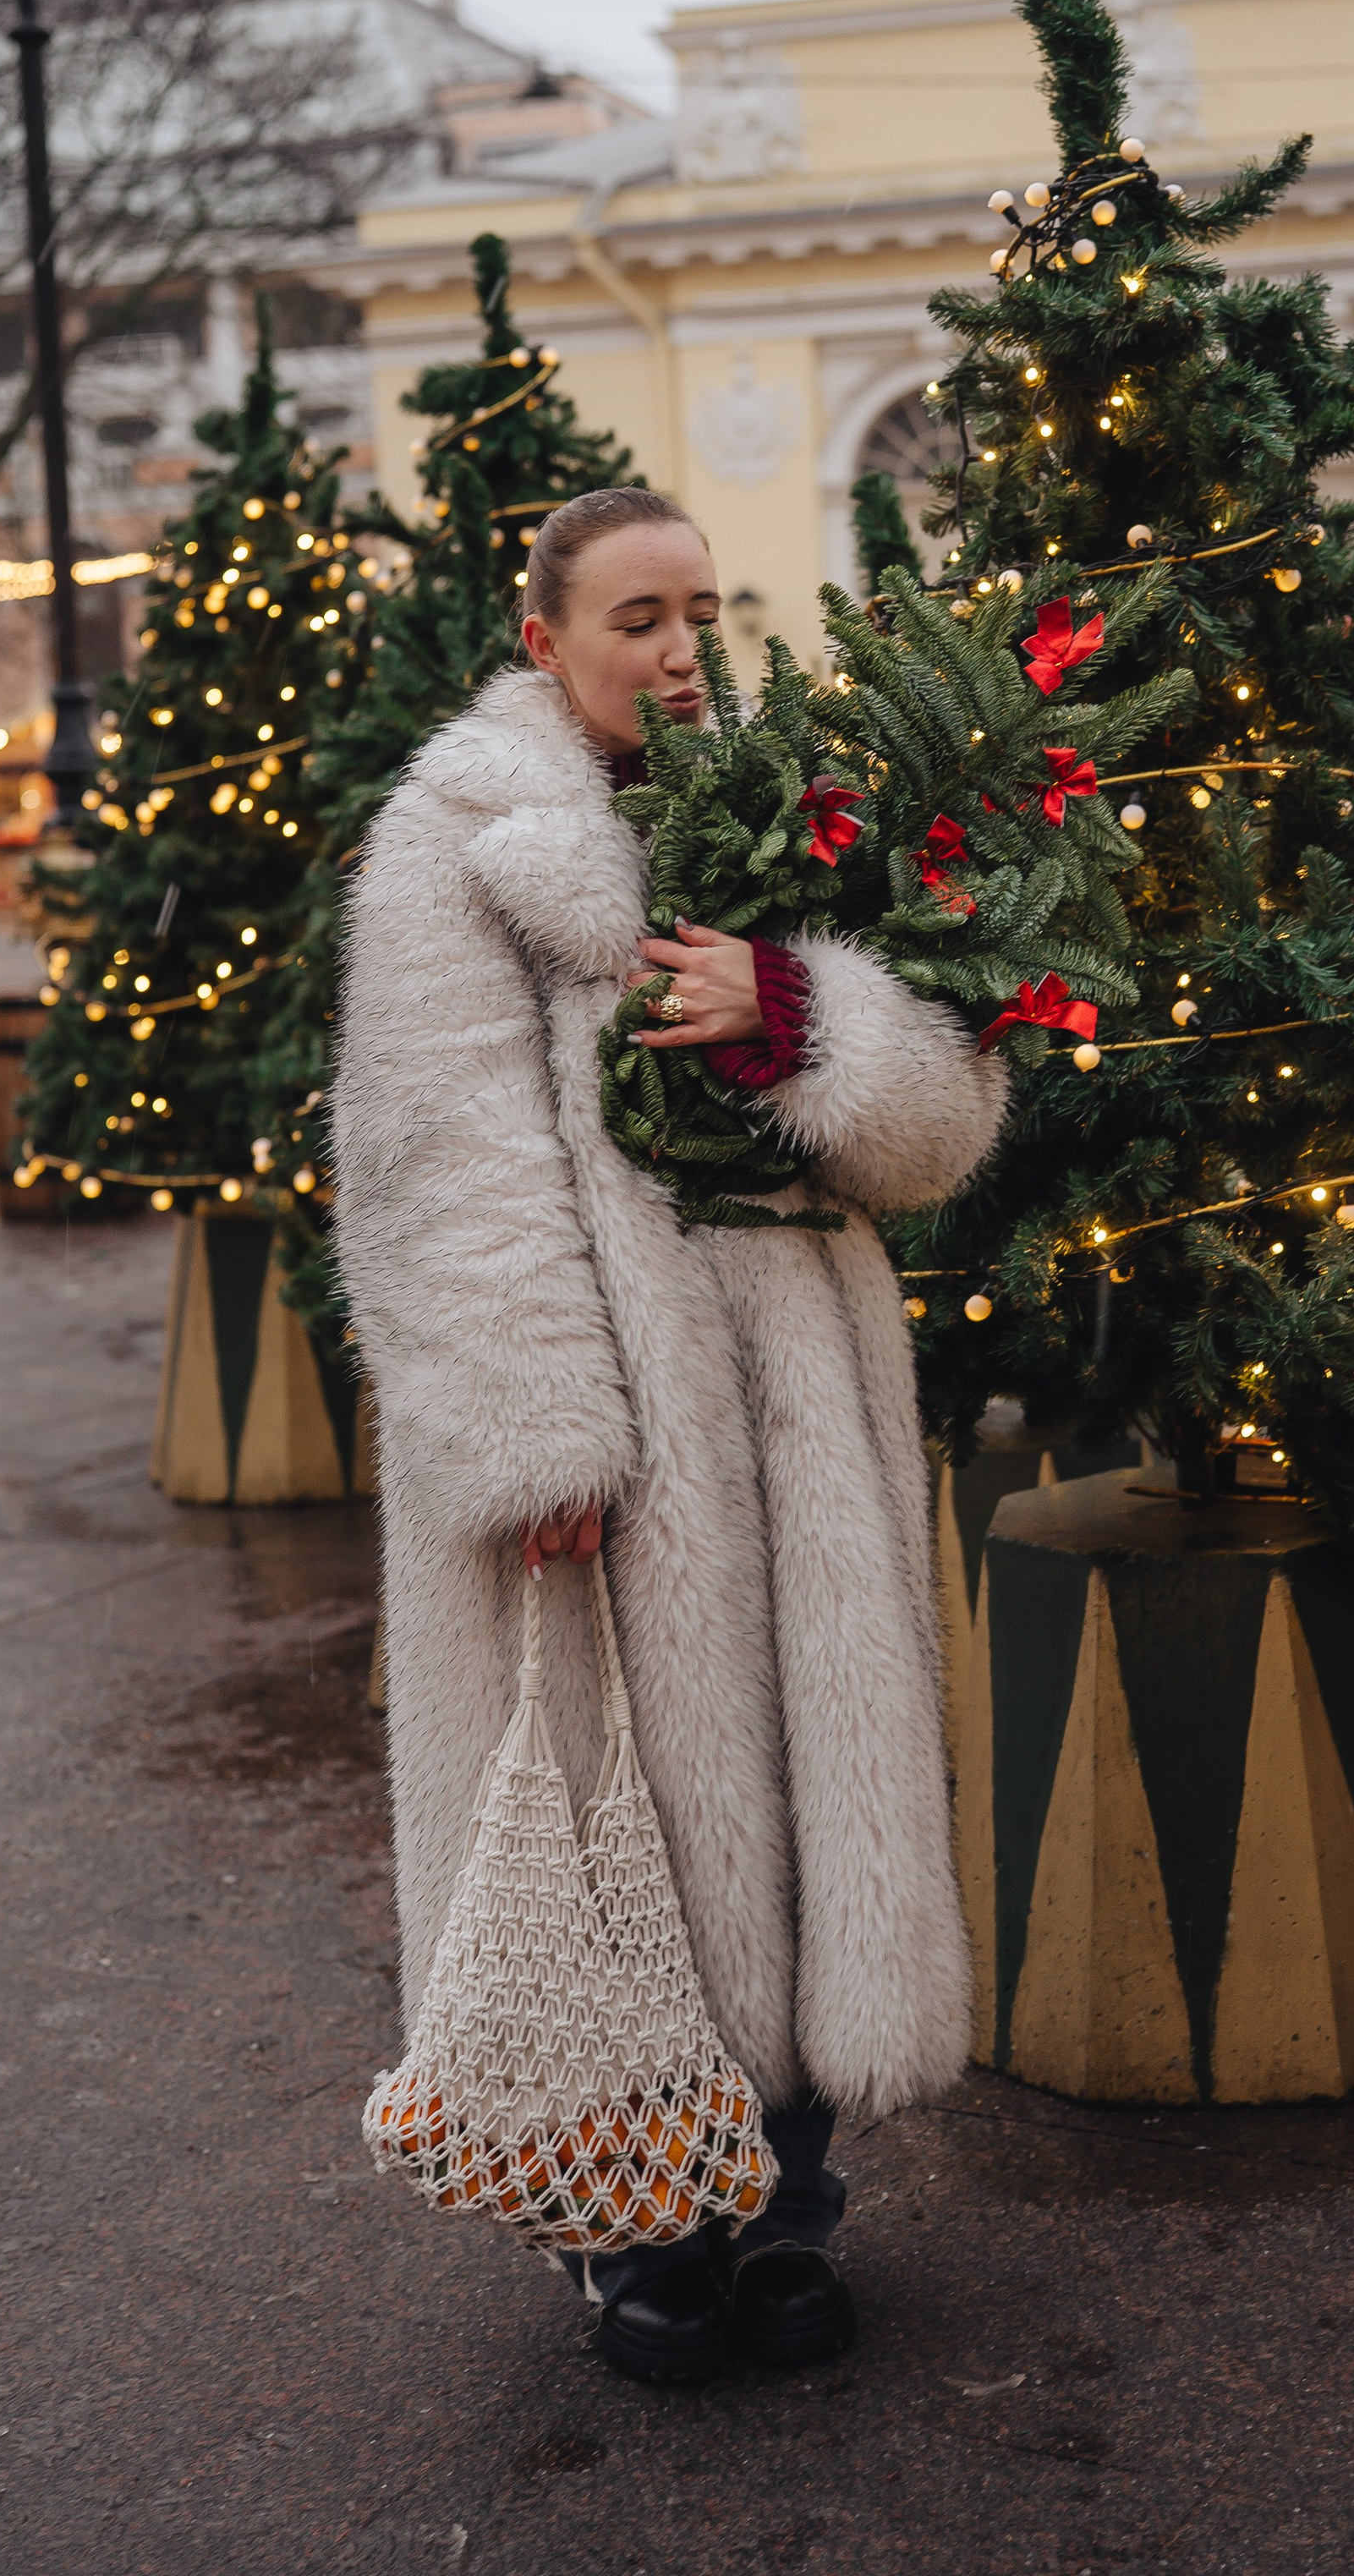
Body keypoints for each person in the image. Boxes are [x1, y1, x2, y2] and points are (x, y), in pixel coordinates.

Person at [331, 486, 1002, 2388]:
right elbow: (430, 1155)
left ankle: (787, 2203)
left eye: (700, 609)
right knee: (628, 1823)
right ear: (542, 635)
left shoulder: (798, 813)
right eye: (637, 617)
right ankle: (635, 2226)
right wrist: (537, 1439)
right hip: (607, 1423)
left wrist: (790, 1012)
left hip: (802, 1403)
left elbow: (941, 1128)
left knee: (800, 1797)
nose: (682, 649)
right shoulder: (458, 834)